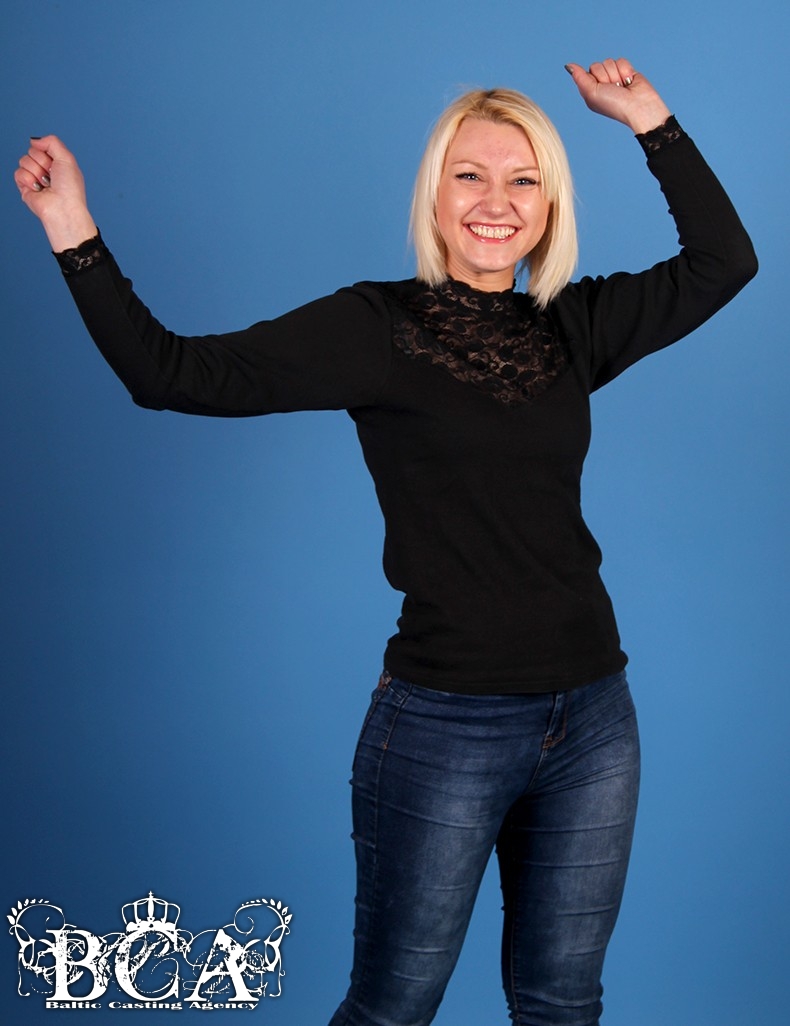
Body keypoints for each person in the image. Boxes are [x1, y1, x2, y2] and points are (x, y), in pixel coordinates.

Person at [15, 58, 756, 1026]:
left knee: (563, 1003)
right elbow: (171, 375)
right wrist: (72, 228)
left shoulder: (574, 326)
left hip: (593, 719)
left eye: (523, 180)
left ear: (549, 206)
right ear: (434, 194)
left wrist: (648, 118)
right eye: (470, 175)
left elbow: (724, 261)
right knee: (393, 1007)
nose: (496, 202)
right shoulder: (375, 327)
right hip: (446, 725)